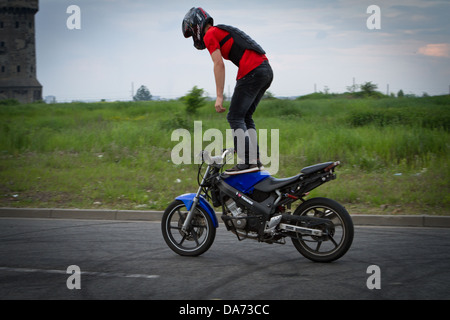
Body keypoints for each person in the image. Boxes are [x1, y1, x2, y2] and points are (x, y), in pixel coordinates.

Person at [182, 7, 273, 175]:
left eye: (191, 33)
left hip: (252, 70)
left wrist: (219, 96)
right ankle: (255, 159)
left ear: (196, 26)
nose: (193, 38)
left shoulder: (210, 34)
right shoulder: (219, 31)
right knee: (245, 116)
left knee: (234, 116)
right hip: (265, 70)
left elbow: (218, 64)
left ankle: (247, 161)